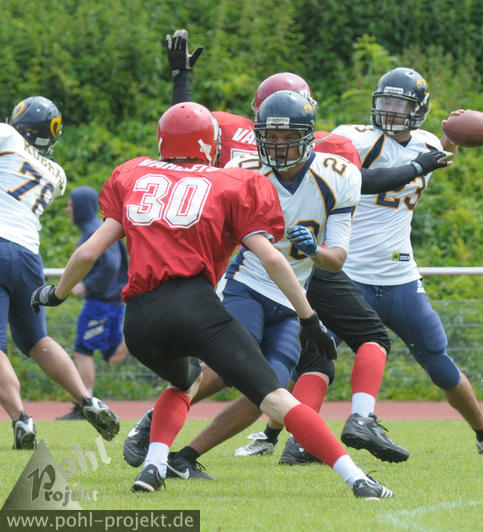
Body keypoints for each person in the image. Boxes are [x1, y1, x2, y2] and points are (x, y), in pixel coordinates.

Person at [121, 30, 451, 472]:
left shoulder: (316, 152)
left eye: (287, 131)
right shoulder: (248, 152)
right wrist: (418, 165)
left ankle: (292, 440)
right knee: (242, 365)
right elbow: (187, 129)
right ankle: (168, 425)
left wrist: (181, 79)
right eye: (271, 129)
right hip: (259, 267)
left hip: (308, 267)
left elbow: (189, 130)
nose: (279, 139)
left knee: (313, 363)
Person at [31, 101, 393, 498]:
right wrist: (309, 317)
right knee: (276, 399)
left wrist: (56, 293)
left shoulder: (133, 174)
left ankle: (154, 466)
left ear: (162, 142)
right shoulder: (231, 182)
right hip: (196, 308)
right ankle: (358, 480)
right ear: (211, 145)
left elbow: (87, 252)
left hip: (139, 321)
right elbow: (273, 258)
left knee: (185, 381)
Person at [331, 67, 483, 455]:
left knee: (439, 361)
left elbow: (441, 157)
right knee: (309, 357)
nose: (391, 110)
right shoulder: (353, 138)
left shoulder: (428, 142)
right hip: (348, 275)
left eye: (400, 104)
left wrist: (453, 140)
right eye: (385, 101)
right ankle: (281, 436)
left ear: (419, 110)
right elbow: (353, 178)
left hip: (399, 277)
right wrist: (423, 162)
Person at [0, 96, 121, 449]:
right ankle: (87, 399)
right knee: (37, 340)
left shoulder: (7, 135)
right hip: (28, 255)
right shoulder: (56, 173)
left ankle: (20, 418)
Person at [58, 186, 129, 420]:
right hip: (109, 301)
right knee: (112, 354)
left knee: (83, 350)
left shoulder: (94, 230)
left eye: (71, 204)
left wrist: (87, 285)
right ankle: (137, 335)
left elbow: (110, 265)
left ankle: (85, 405)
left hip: (101, 303)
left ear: (81, 206)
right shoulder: (98, 228)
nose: (68, 209)